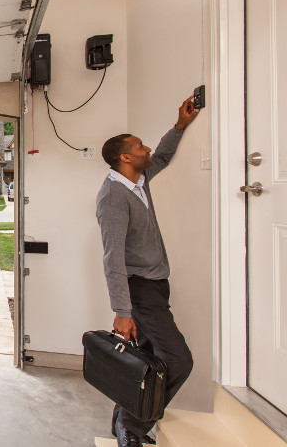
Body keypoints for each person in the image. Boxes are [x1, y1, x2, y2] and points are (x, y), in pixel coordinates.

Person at [96, 97, 200, 447]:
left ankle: (125, 418)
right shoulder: (113, 197)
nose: (147, 149)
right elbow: (113, 258)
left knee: (150, 359)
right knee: (178, 360)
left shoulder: (138, 181)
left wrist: (180, 125)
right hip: (139, 290)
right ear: (125, 157)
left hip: (156, 286)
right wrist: (122, 312)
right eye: (140, 147)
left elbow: (164, 156)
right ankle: (132, 426)